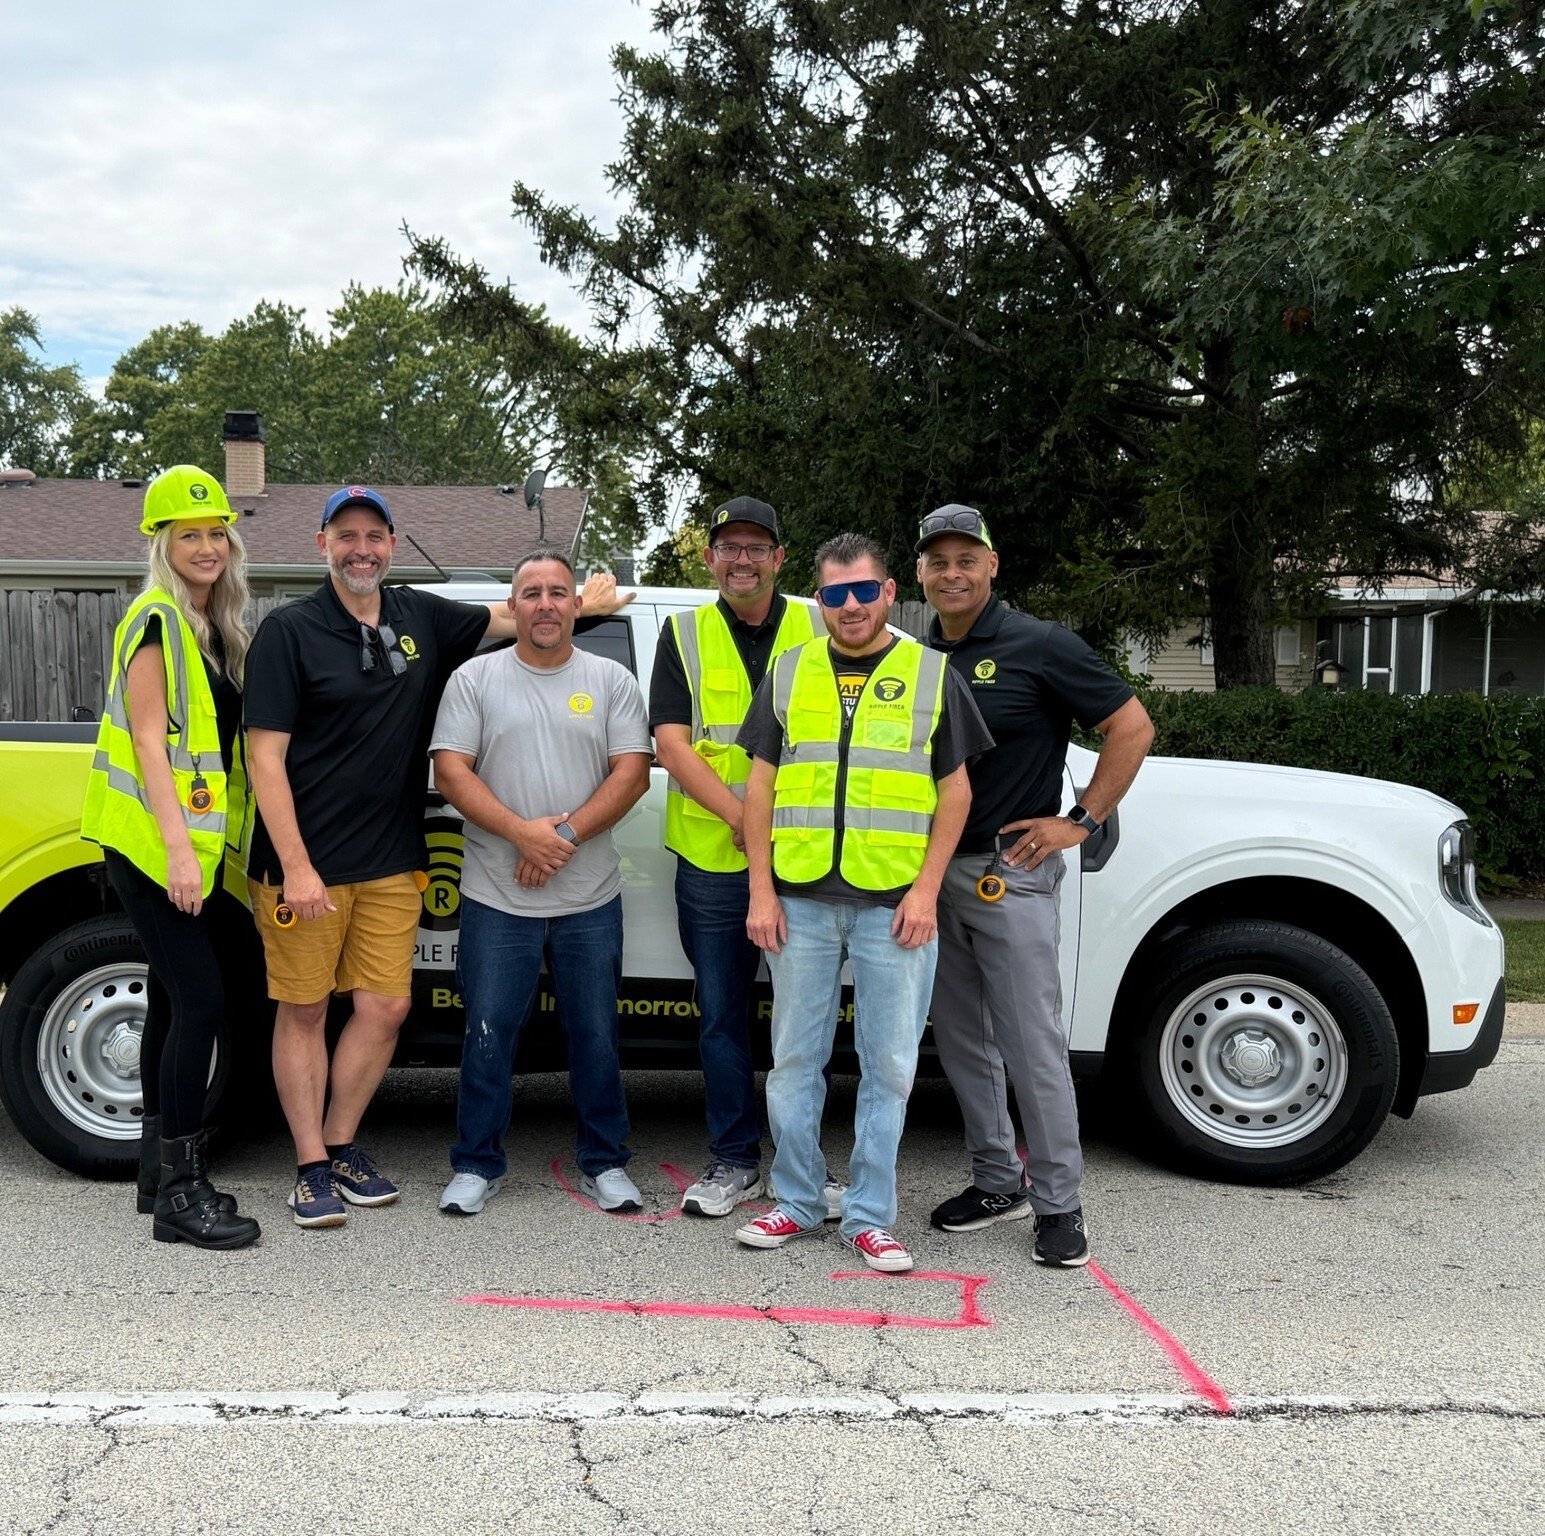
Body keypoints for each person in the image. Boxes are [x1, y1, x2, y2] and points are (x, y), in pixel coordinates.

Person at [244, 486, 628, 1229]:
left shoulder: (418, 612)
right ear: (323, 544)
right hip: (306, 864)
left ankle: (343, 1145)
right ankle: (309, 1167)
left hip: (391, 857)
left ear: (392, 543)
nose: (361, 549)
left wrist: (589, 599)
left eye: (374, 536)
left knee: (385, 1007)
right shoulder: (287, 632)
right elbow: (264, 758)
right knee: (304, 1010)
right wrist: (295, 863)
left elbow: (522, 616)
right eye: (345, 535)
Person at [734, 533, 990, 1273]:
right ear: (818, 601)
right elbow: (759, 787)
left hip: (892, 906)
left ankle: (871, 1218)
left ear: (887, 592)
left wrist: (925, 891)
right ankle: (797, 1201)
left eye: (863, 590)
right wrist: (760, 890)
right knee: (792, 1061)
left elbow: (956, 793)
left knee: (889, 1067)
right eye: (833, 594)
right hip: (801, 901)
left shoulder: (931, 672)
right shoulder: (788, 671)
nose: (849, 606)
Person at [916, 505, 1154, 1268]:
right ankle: (996, 1181)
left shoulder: (1038, 644)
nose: (951, 573)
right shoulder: (912, 655)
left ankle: (1057, 1202)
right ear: (919, 573)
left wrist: (1078, 820)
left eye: (965, 559)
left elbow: (1132, 726)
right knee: (960, 1042)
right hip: (928, 878)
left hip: (1005, 874)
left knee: (1032, 1044)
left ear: (991, 565)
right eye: (937, 561)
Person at [432, 550, 652, 1214]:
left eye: (559, 592)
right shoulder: (474, 679)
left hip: (590, 896)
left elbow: (632, 773)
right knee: (489, 1031)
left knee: (595, 1033)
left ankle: (605, 1162)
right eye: (532, 593)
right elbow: (452, 771)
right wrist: (520, 834)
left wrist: (556, 838)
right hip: (495, 894)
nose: (547, 604)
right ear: (514, 606)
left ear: (576, 605)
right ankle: (475, 1163)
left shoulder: (611, 679)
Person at [81, 465, 261, 1250]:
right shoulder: (157, 617)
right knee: (202, 1003)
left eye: (216, 532)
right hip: (156, 848)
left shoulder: (212, 627)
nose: (206, 545)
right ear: (162, 542)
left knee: (168, 1001)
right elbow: (151, 740)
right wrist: (181, 855)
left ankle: (158, 1174)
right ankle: (183, 1192)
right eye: (189, 534)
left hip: (180, 848)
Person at [649, 495, 822, 1218]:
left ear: (778, 558)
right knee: (721, 1012)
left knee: (802, 1017)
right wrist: (743, 820)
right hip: (714, 857)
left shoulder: (819, 625)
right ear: (710, 557)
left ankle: (801, 1166)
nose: (741, 559)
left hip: (806, 858)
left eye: (756, 547)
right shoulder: (682, 633)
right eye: (729, 547)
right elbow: (670, 743)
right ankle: (733, 1159)